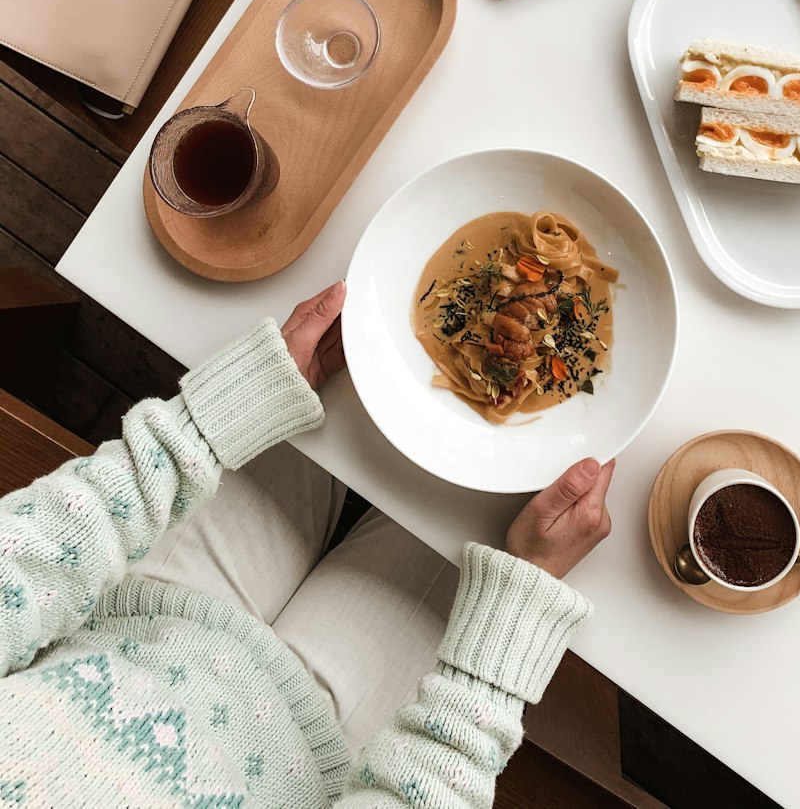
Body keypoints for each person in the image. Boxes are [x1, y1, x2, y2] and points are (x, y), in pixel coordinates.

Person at [0, 280, 615, 806]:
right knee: (498, 487)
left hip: (140, 619)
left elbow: (16, 569)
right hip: (327, 754)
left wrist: (205, 424)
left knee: (363, 358)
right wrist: (513, 613)